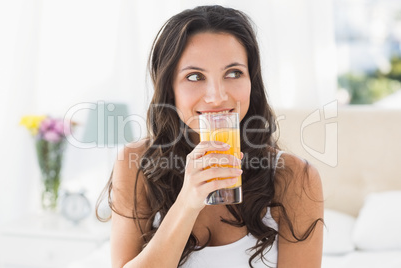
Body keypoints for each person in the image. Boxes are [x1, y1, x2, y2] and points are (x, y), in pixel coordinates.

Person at [97, 5, 324, 268]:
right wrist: (187, 202)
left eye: (233, 73)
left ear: (252, 81)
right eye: (194, 76)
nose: (216, 96)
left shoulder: (294, 178)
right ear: (169, 87)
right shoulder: (135, 163)